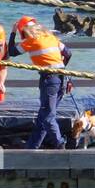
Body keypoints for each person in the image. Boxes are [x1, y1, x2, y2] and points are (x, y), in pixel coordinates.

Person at [8, 15, 72, 149]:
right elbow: (68, 53)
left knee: (47, 116)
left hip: (50, 79)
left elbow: (12, 51)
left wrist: (12, 33)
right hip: (63, 77)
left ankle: (60, 144)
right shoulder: (51, 37)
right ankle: (32, 147)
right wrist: (61, 67)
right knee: (44, 115)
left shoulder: (31, 40)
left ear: (23, 31)